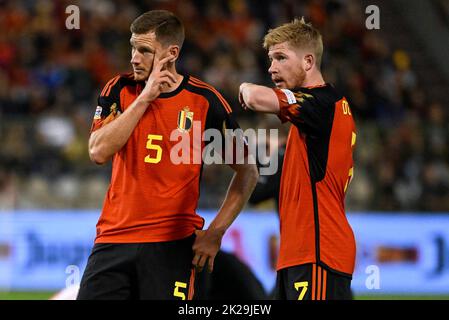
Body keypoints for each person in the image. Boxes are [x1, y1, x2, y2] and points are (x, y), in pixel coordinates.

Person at [77, 10, 258, 300]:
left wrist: (216, 232)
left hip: (172, 246)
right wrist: (146, 97)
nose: (134, 57)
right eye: (133, 48)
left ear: (171, 53)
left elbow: (248, 170)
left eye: (145, 50)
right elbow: (98, 151)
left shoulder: (204, 101)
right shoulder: (120, 89)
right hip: (113, 240)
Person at [239, 18, 357, 300]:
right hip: (297, 255)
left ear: (308, 61)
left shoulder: (322, 103)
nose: (271, 68)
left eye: (280, 57)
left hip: (318, 253)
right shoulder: (317, 114)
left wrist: (243, 86)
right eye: (270, 59)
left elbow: (255, 97)